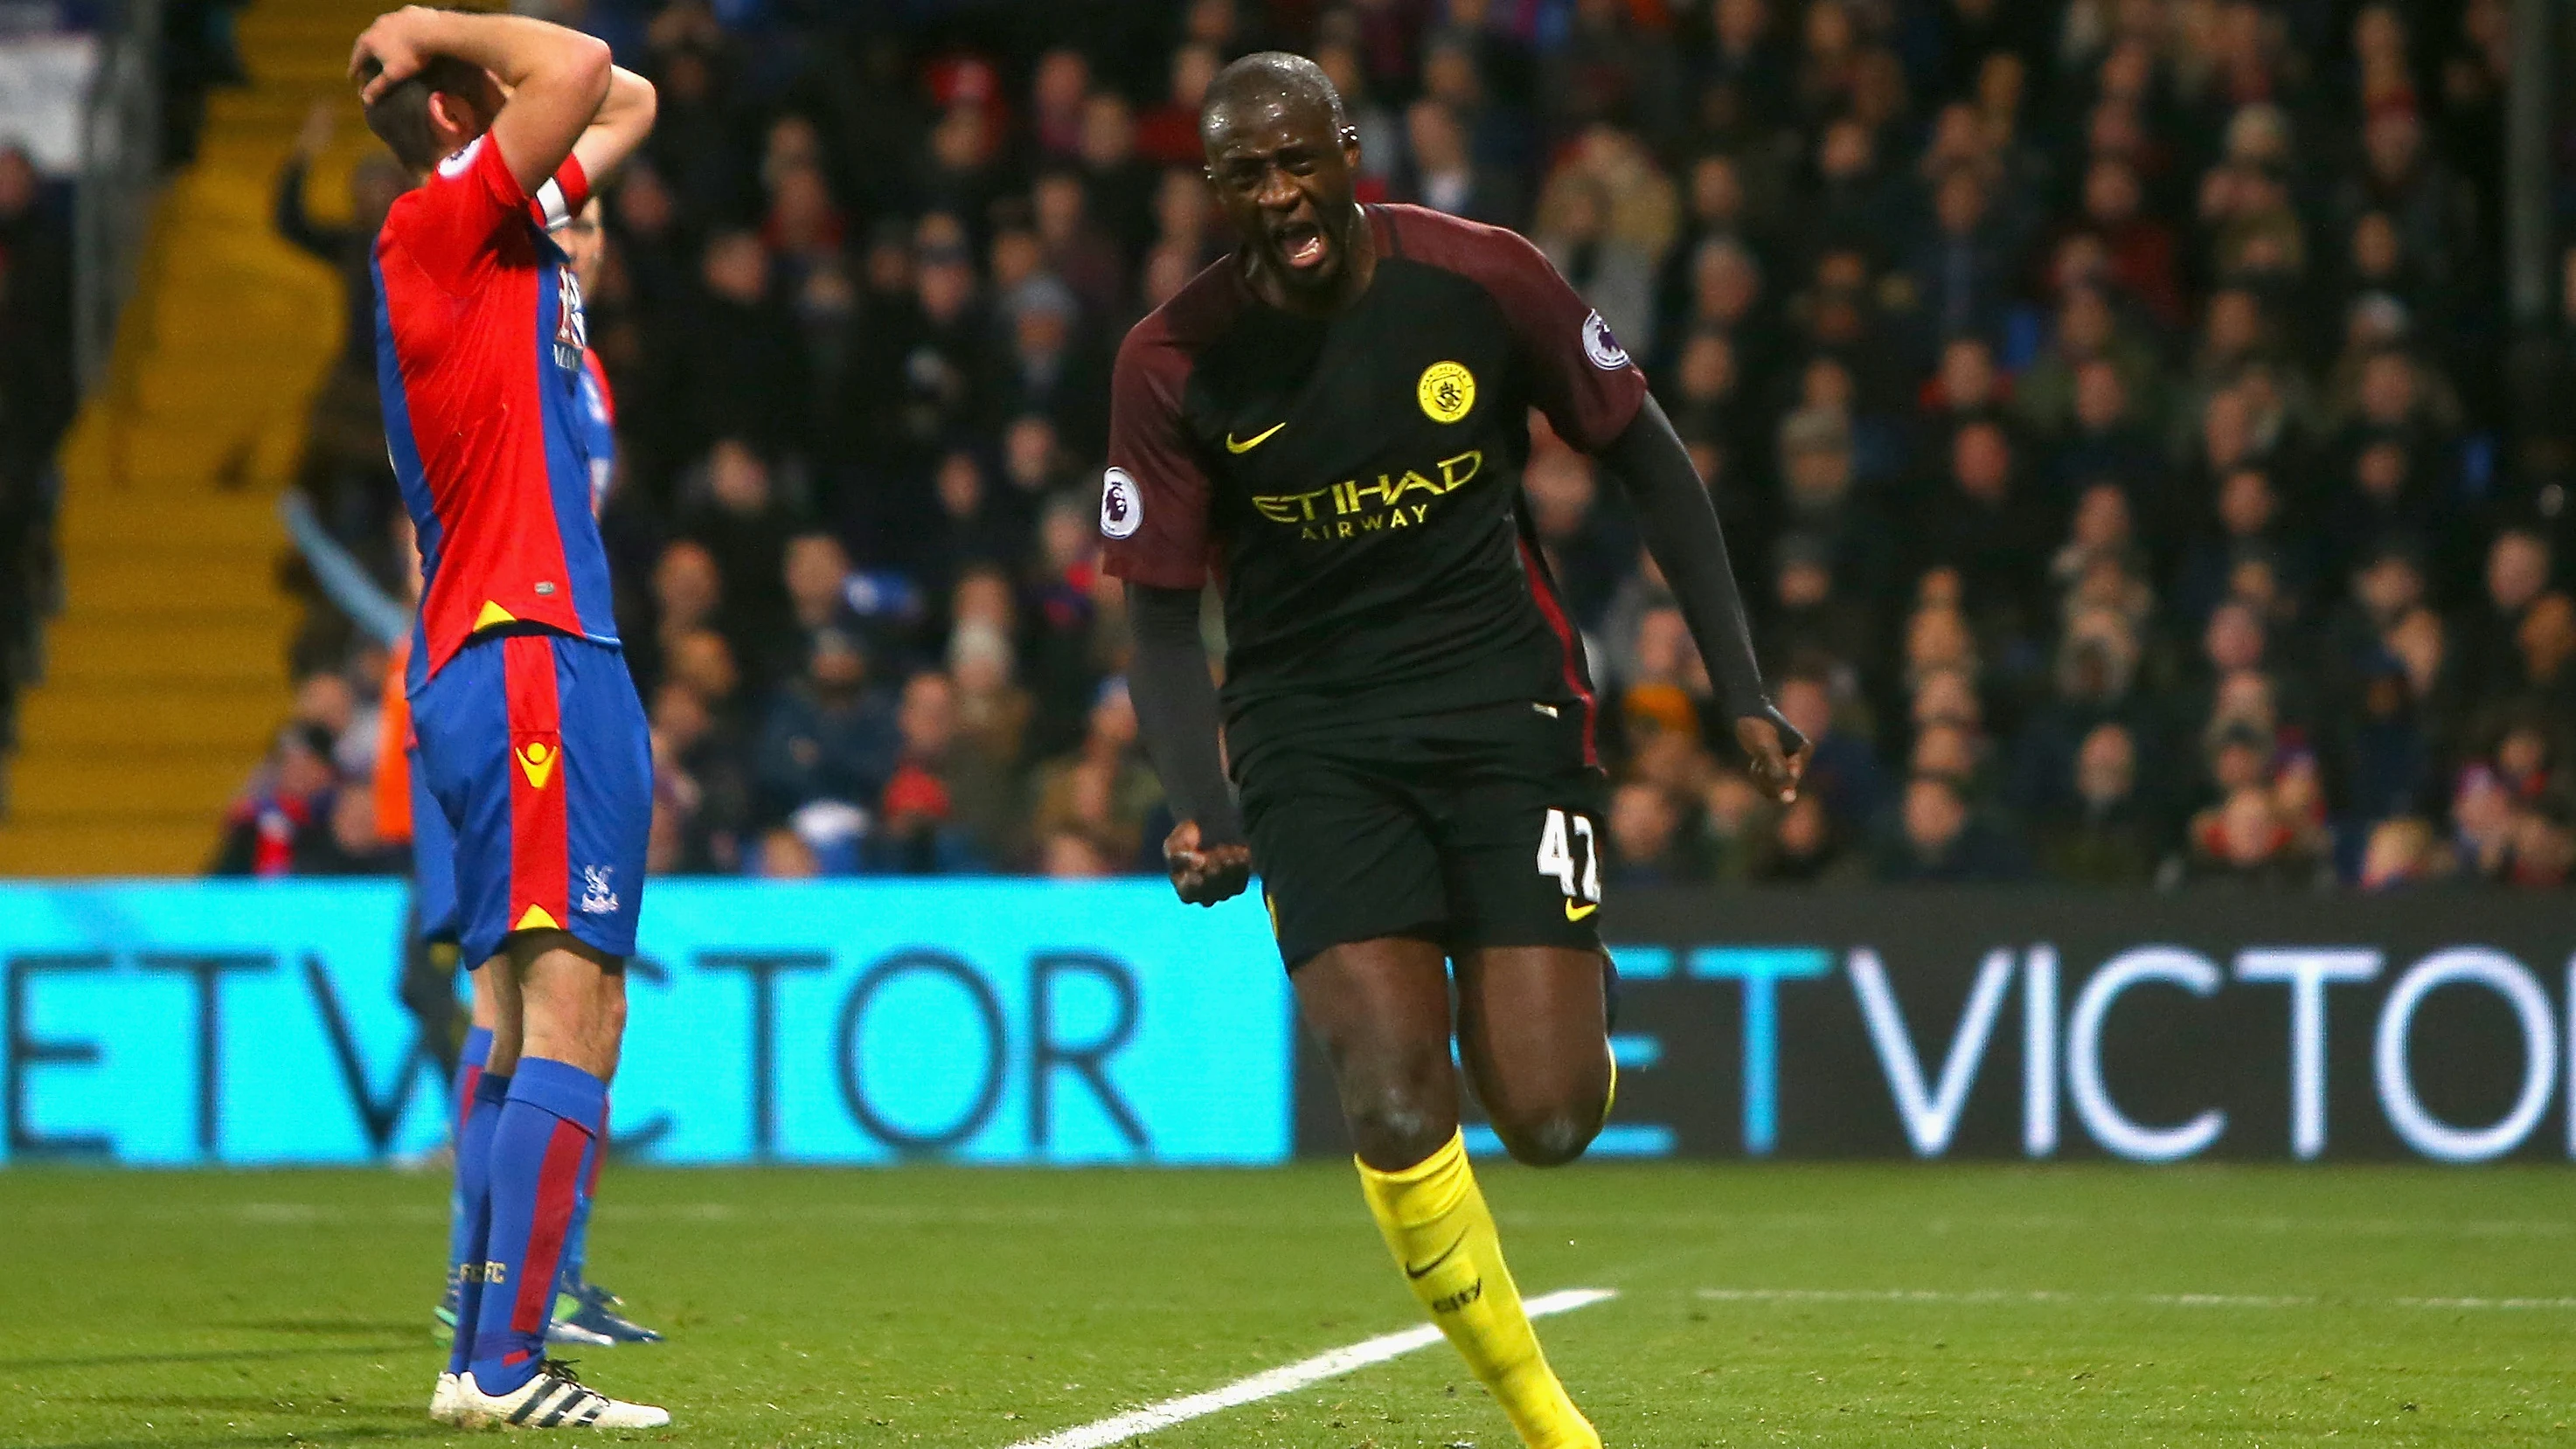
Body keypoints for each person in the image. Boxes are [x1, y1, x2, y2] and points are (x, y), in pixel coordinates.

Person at [1105, 54, 1805, 1449]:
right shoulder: (1171, 360)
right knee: (1388, 1084)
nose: (1281, 195)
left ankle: (1559, 970)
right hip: (1313, 738)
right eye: (1246, 173)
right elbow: (1161, 620)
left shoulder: (1484, 279)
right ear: (1216, 190)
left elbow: (1652, 461)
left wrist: (1740, 686)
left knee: (1546, 1113)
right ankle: (1548, 1421)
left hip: (1505, 709)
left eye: (1299, 160)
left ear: (1348, 151)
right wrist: (1203, 805)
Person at [351, 5, 664, 1428]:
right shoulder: (438, 222)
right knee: (560, 998)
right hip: (518, 641)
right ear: (451, 117)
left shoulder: (495, 229)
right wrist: (433, 28)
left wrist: (455, 58)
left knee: (552, 1002)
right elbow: (588, 70)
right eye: (494, 88)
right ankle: (503, 1360)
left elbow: (632, 98)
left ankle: (484, 1345)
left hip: (540, 643)